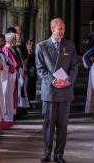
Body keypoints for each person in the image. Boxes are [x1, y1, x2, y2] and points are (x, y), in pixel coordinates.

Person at [35, 18, 78, 163]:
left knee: (63, 125)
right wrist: (53, 81)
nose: (63, 31)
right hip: (50, 91)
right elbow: (40, 69)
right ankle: (46, 153)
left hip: (65, 91)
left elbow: (74, 67)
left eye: (64, 29)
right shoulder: (41, 46)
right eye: (60, 29)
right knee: (48, 124)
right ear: (52, 29)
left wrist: (68, 81)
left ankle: (59, 155)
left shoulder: (70, 45)